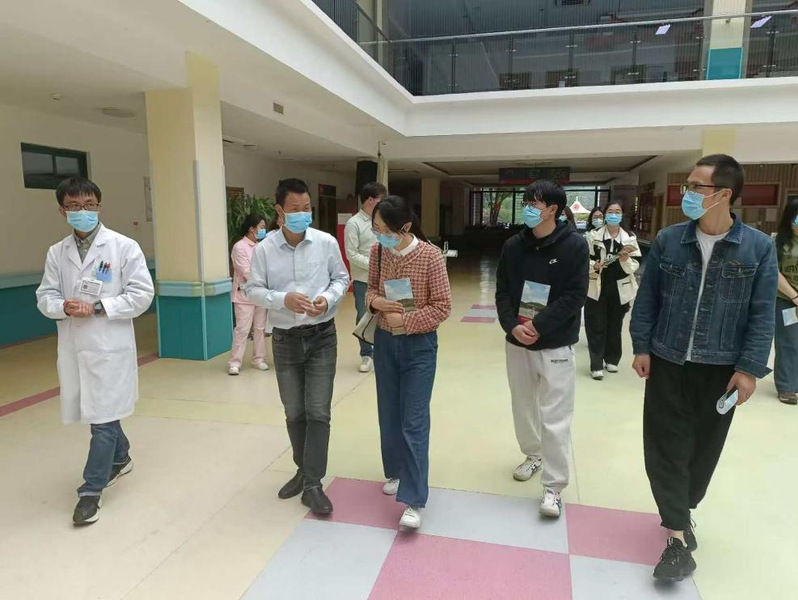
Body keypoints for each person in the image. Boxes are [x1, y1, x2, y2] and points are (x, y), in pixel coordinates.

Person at [630, 154, 778, 582]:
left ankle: (683, 508)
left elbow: (762, 314)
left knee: (703, 451)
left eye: (697, 187)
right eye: (688, 186)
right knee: (664, 448)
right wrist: (641, 346)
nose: (687, 194)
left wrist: (749, 369)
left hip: (721, 367)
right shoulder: (668, 240)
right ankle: (676, 540)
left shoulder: (757, 248)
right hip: (668, 360)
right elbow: (648, 299)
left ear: (724, 194)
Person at [35, 176, 154, 526]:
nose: (82, 211)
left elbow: (142, 295)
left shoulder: (123, 247)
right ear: (62, 211)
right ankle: (122, 455)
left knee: (101, 420)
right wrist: (63, 306)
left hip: (109, 346)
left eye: (88, 205)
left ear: (99, 206)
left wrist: (99, 307)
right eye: (74, 206)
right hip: (75, 347)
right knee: (102, 413)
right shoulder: (57, 252)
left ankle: (91, 491)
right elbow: (45, 295)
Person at [245, 178, 350, 515]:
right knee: (294, 412)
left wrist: (327, 299)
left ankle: (313, 484)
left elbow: (341, 279)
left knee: (318, 411)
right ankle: (303, 471)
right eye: (295, 209)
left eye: (307, 208)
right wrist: (282, 299)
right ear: (279, 211)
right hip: (286, 340)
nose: (302, 214)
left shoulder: (325, 243)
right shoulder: (264, 249)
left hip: (322, 336)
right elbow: (252, 290)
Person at [495, 180, 589, 519]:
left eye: (534, 204)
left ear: (553, 209)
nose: (527, 209)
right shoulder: (513, 246)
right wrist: (512, 325)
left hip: (555, 343)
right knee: (523, 407)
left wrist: (539, 325)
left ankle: (554, 486)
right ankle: (533, 454)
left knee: (555, 416)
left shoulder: (574, 246)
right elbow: (502, 291)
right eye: (526, 203)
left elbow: (575, 295)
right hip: (517, 341)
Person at [366, 196, 452, 530]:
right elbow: (369, 291)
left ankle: (414, 499)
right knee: (389, 412)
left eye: (385, 230)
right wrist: (378, 303)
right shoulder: (378, 252)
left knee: (414, 420)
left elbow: (443, 306)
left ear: (405, 227)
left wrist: (407, 320)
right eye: (376, 229)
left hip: (419, 347)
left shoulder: (431, 256)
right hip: (386, 343)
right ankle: (396, 471)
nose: (380, 236)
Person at [584, 202, 641, 380]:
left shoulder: (629, 238)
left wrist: (625, 260)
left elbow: (635, 264)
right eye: (610, 211)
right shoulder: (593, 236)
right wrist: (594, 265)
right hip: (597, 287)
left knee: (615, 326)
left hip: (619, 288)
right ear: (605, 214)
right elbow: (583, 259)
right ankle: (596, 364)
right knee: (596, 326)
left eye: (617, 211)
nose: (613, 215)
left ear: (622, 215)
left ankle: (612, 359)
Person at [345, 182, 387, 373]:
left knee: (386, 313)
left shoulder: (383, 220)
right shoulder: (354, 223)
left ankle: (383, 352)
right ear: (370, 200)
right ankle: (366, 354)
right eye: (381, 199)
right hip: (364, 279)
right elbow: (351, 253)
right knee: (365, 315)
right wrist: (375, 265)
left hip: (386, 277)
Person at [228, 213, 270, 376]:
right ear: (252, 229)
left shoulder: (261, 247)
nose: (264, 230)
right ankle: (235, 362)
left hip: (260, 295)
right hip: (244, 296)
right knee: (242, 330)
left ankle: (258, 359)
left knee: (260, 329)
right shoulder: (239, 247)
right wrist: (264, 280)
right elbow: (246, 271)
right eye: (261, 227)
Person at [774, 198, 798, 405]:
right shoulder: (778, 242)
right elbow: (774, 273)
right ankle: (787, 386)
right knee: (788, 342)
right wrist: (795, 296)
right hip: (786, 300)